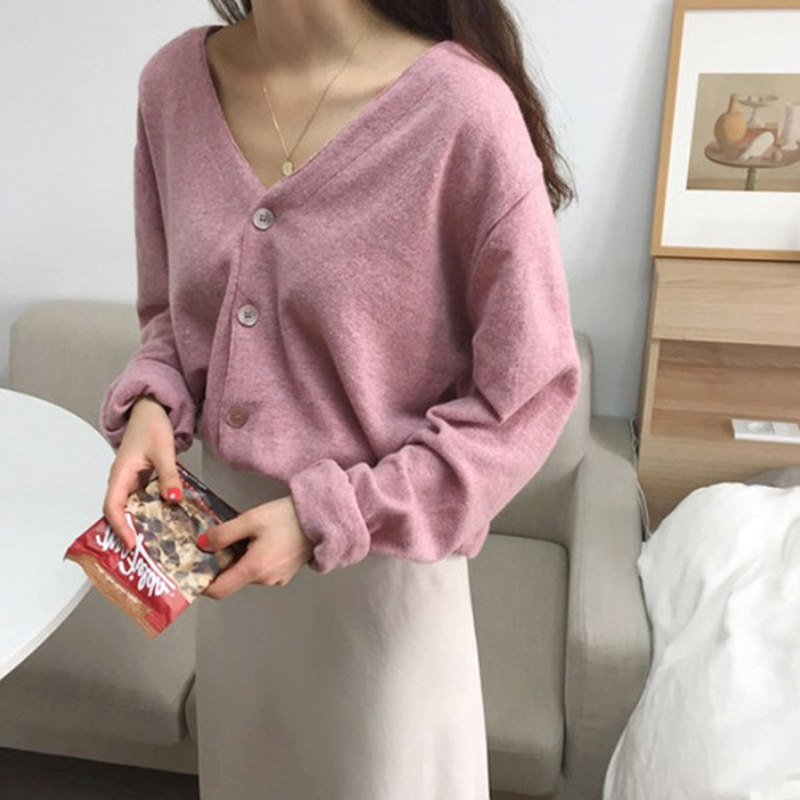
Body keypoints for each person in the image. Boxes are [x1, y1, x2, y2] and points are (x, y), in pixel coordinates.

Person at [100, 0, 580, 797]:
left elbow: (525, 399)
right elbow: (170, 320)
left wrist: (331, 515)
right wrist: (153, 401)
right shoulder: (173, 88)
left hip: (381, 592)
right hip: (233, 572)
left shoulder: (463, 112)